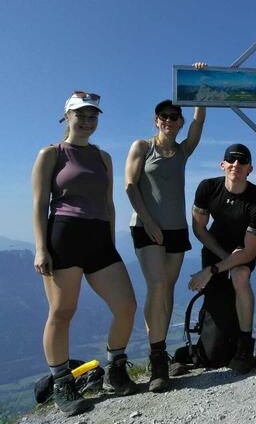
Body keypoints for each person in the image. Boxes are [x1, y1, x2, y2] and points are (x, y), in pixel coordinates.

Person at [32, 91, 138, 417]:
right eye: (82, 115)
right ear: (67, 116)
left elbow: (108, 203)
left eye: (93, 116)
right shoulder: (51, 154)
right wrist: (40, 248)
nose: (89, 121)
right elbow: (38, 204)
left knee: (126, 306)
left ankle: (114, 368)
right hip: (63, 234)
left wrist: (109, 241)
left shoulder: (103, 157)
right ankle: (62, 382)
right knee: (63, 310)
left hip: (98, 238)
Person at [124, 87, 206, 391]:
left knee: (167, 289)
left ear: (180, 122)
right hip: (146, 227)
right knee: (157, 285)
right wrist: (148, 221)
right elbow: (130, 186)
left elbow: (198, 127)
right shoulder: (142, 147)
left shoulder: (182, 152)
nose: (169, 120)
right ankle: (158, 361)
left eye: (174, 116)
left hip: (176, 230)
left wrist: (200, 93)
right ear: (156, 120)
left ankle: (160, 351)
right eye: (163, 116)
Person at [188, 143, 256, 374]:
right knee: (214, 356)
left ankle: (245, 344)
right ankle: (206, 343)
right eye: (231, 161)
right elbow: (199, 229)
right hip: (215, 251)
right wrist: (224, 261)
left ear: (250, 168)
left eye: (242, 162)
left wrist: (211, 271)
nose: (236, 165)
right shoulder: (207, 188)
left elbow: (249, 253)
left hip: (243, 252)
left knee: (241, 276)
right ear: (222, 164)